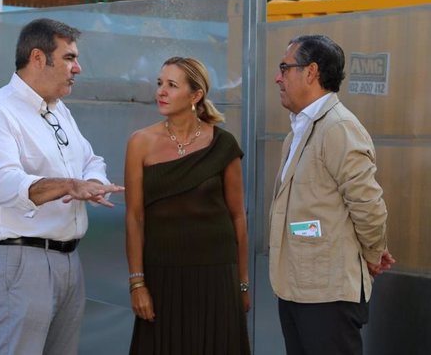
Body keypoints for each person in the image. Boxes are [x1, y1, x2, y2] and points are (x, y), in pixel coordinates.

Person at [0, 18, 124, 355]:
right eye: (69, 58)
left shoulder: (59, 110)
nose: (78, 68)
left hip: (68, 261)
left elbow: (90, 160)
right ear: (38, 58)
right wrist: (70, 184)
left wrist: (92, 184)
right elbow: (4, 184)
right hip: (21, 259)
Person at [270, 35, 395, 355]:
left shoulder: (338, 128)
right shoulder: (299, 129)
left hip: (327, 297)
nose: (278, 77)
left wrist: (372, 253)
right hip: (298, 290)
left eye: (285, 68)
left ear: (310, 72)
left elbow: (369, 206)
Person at [125, 56, 251, 355]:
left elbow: (238, 218)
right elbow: (134, 218)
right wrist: (137, 282)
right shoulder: (139, 143)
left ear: (196, 95)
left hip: (216, 277)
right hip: (162, 277)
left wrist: (242, 285)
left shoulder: (223, 145)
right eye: (159, 84)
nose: (161, 92)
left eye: (171, 85)